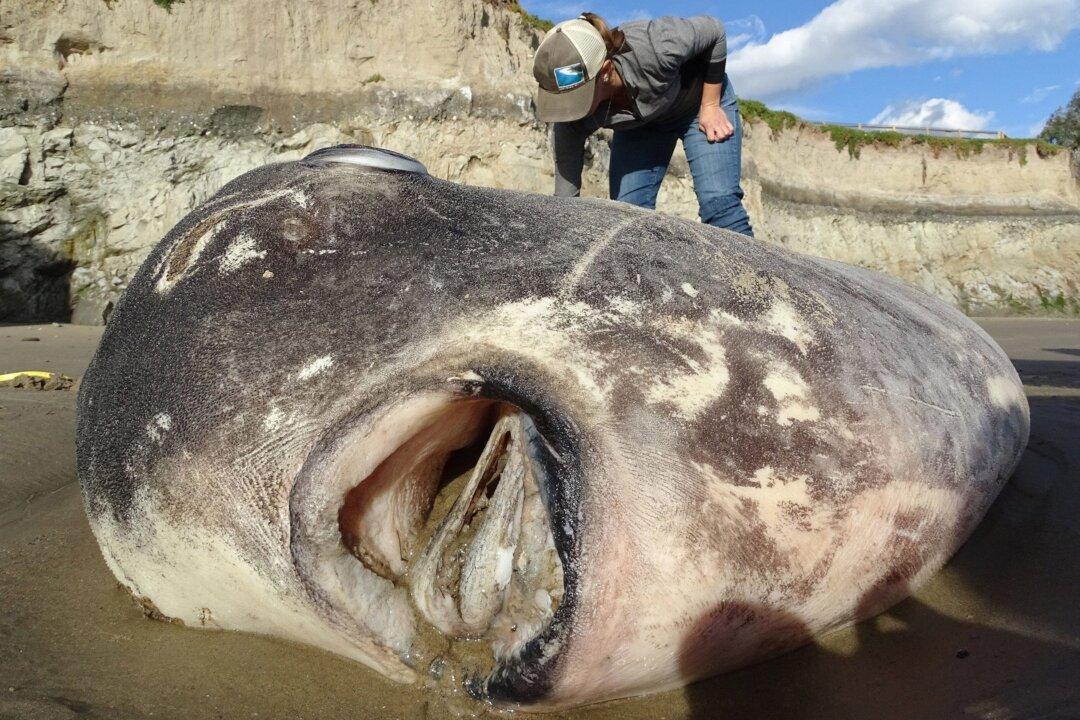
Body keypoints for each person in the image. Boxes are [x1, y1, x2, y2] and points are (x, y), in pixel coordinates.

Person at [533, 12, 753, 236]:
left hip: (697, 105)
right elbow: (565, 201)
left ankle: (754, 272)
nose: (569, 110)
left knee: (720, 205)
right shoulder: (571, 121)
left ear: (606, 71)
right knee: (627, 218)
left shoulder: (655, 45)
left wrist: (710, 105)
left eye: (576, 98)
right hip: (641, 127)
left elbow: (714, 31)